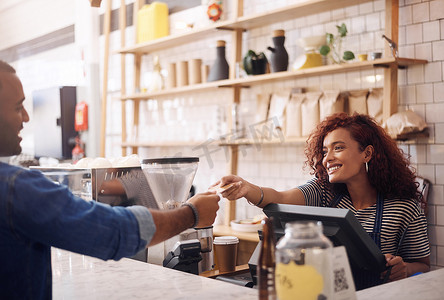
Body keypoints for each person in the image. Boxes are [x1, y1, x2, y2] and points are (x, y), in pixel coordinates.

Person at [0, 60, 221, 299]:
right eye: (17, 107)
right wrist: (192, 214)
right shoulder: (14, 188)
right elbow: (112, 231)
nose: (27, 117)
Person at [217, 112, 430, 290]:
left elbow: (423, 266)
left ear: (367, 153)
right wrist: (247, 189)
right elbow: (280, 199)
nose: (327, 158)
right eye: (325, 150)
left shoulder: (404, 207)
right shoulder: (323, 192)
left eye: (338, 148)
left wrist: (405, 270)